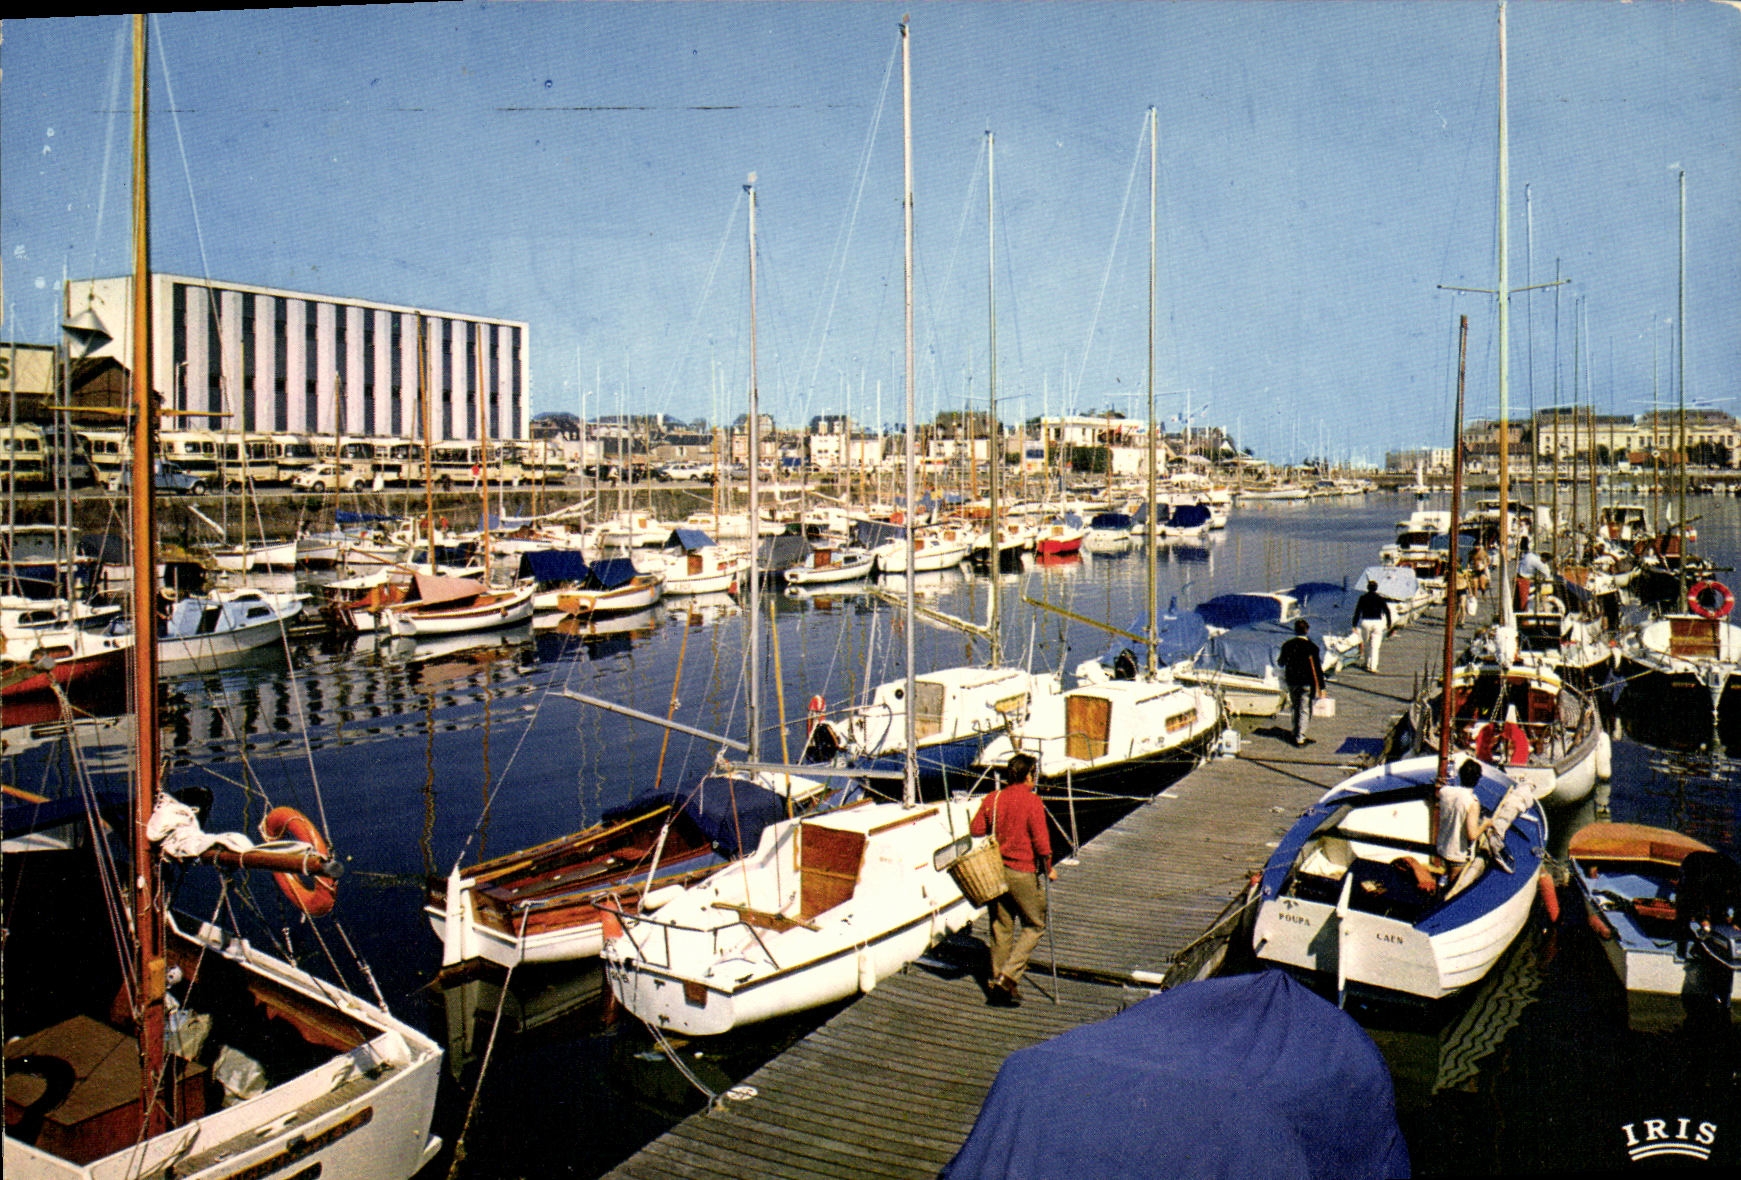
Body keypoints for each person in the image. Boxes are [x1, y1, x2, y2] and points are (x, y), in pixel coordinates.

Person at [970, 752, 1054, 1007]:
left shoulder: (993, 798)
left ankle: (997, 979)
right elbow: (1041, 843)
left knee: (1001, 926)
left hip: (996, 870)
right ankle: (1008, 977)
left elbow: (975, 829)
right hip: (1021, 871)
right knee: (1035, 924)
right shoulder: (1032, 801)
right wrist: (1048, 868)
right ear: (1029, 775)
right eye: (1034, 774)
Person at [1435, 759, 1487, 885]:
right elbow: (1472, 835)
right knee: (1455, 888)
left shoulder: (1445, 792)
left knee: (1447, 877)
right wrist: (1486, 824)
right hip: (1458, 855)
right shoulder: (1472, 802)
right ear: (1477, 780)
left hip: (1443, 848)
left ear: (1460, 774)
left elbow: (1439, 791)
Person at [1277, 618, 1325, 748]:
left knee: (1295, 706)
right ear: (1307, 630)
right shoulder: (1312, 647)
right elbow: (1317, 669)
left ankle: (1295, 731)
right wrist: (1322, 687)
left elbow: (1280, 662)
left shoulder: (1287, 645)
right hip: (1306, 682)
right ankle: (1300, 737)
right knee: (1304, 708)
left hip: (1292, 681)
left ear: (1295, 630)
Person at [1351, 579, 1394, 673]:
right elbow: (1387, 611)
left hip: (1365, 622)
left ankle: (1366, 663)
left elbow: (1358, 611)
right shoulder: (1380, 598)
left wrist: (1354, 624)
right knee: (1375, 646)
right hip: (1377, 623)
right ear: (1376, 588)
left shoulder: (1362, 598)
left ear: (1367, 588)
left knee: (1366, 644)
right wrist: (1389, 623)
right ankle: (1373, 667)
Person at [1516, 537, 1553, 611]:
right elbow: (1547, 574)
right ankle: (1524, 616)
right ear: (1545, 559)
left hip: (1518, 576)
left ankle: (1517, 611)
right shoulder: (1539, 563)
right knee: (1523, 600)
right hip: (1524, 579)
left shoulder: (1532, 555)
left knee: (1517, 600)